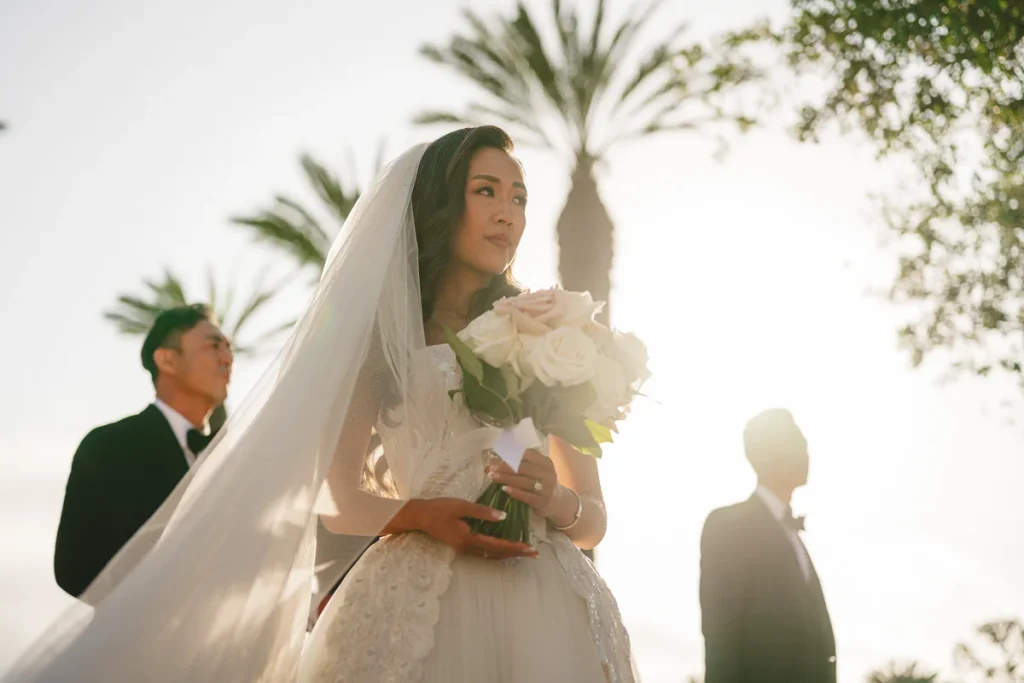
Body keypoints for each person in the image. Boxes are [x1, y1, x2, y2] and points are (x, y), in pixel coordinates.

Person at [2, 127, 631, 683]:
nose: (508, 214)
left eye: (519, 197)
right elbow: (340, 501)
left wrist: (555, 500)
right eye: (486, 191)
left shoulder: (548, 335)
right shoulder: (383, 344)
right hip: (421, 592)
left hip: (544, 596)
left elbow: (593, 518)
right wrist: (421, 514)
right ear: (440, 204)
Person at [53, 304, 232, 598]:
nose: (227, 358)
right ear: (167, 360)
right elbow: (74, 568)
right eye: (213, 346)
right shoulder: (108, 447)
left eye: (228, 348)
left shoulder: (231, 456)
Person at [699, 408, 836, 683]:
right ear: (765, 454)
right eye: (795, 443)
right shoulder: (729, 525)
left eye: (804, 444)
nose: (805, 453)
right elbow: (721, 634)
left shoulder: (793, 534)